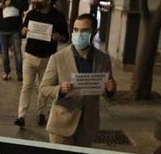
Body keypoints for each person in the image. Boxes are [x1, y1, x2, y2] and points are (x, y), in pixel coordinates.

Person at [40, 14, 116, 146]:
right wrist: (60, 90)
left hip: (88, 126)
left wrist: (110, 90)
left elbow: (106, 90)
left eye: (84, 31)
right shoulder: (58, 58)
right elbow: (44, 88)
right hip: (62, 125)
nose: (79, 34)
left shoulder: (103, 59)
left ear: (94, 32)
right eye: (75, 30)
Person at [15, 0, 69, 128]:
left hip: (48, 58)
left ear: (49, 1)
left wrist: (59, 36)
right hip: (30, 56)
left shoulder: (58, 17)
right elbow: (22, 31)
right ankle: (21, 115)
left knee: (43, 88)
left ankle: (41, 113)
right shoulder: (32, 14)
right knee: (26, 86)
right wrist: (24, 31)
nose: (37, 0)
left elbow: (66, 37)